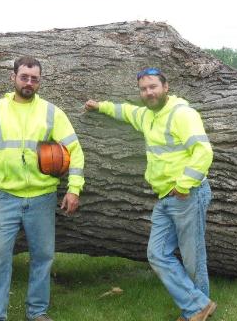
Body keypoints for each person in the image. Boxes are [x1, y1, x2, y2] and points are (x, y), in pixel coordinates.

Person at [84, 67, 215, 321]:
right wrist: (99, 106)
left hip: (187, 195)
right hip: (166, 197)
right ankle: (198, 305)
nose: (148, 92)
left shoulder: (181, 114)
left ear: (166, 87)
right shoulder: (146, 115)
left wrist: (185, 184)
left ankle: (197, 313)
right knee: (157, 254)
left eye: (153, 86)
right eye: (143, 89)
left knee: (193, 259)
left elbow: (203, 151)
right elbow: (124, 111)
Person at [0, 56, 85, 321]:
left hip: (42, 197)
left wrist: (74, 188)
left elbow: (75, 151)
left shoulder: (51, 112)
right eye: (24, 77)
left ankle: (37, 312)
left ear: (39, 81)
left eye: (34, 79)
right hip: (6, 197)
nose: (29, 83)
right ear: (13, 77)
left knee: (43, 258)